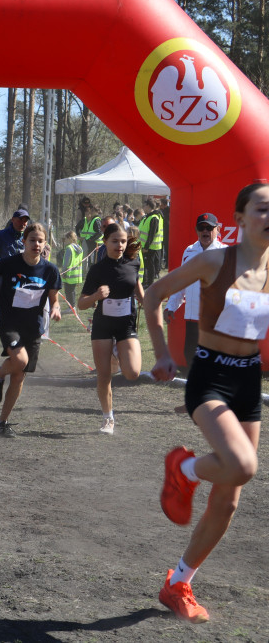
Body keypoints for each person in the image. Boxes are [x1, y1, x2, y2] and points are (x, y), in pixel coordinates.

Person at [143, 182, 267, 624]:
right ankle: (183, 469)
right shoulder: (215, 259)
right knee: (243, 465)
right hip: (209, 379)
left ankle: (178, 582)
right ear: (240, 218)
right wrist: (162, 353)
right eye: (262, 208)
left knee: (228, 500)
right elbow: (154, 295)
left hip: (248, 382)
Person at [0, 223, 62, 436]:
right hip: (9, 322)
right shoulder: (8, 264)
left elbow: (54, 299)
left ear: (45, 243)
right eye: (32, 240)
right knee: (20, 361)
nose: (36, 244)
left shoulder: (50, 270)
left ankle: (3, 421)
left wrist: (55, 309)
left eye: (40, 241)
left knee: (19, 376)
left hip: (33, 326)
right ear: (24, 242)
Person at [77, 222, 144, 434]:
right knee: (104, 375)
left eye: (123, 241)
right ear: (105, 242)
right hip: (103, 326)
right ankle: (108, 419)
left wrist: (150, 302)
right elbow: (81, 303)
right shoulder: (97, 269)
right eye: (115, 241)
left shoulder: (133, 264)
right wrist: (96, 296)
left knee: (133, 373)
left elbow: (139, 292)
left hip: (126, 324)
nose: (120, 245)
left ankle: (117, 355)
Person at [165, 213, 226, 374]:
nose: (205, 231)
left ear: (218, 229)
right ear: (196, 230)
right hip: (192, 317)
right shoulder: (189, 251)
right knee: (190, 355)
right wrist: (171, 306)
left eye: (209, 228)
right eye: (201, 227)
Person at [0, 207, 29, 367]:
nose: (23, 223)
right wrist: (5, 267)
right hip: (2, 282)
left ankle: (17, 355)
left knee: (20, 319)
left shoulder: (27, 237)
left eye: (25, 221)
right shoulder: (2, 235)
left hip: (22, 284)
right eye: (20, 220)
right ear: (13, 220)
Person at [139, 197, 165, 288]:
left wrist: (146, 247)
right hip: (145, 246)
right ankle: (146, 282)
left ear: (149, 206)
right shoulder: (148, 217)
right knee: (146, 265)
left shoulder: (154, 218)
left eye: (144, 205)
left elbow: (151, 234)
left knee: (150, 266)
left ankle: (150, 284)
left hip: (151, 247)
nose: (143, 207)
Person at [60, 231, 84, 307]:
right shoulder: (80, 248)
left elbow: (66, 262)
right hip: (77, 275)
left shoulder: (69, 248)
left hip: (69, 274)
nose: (65, 240)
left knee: (68, 291)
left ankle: (71, 307)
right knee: (72, 290)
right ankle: (72, 306)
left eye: (66, 238)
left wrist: (64, 272)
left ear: (70, 238)